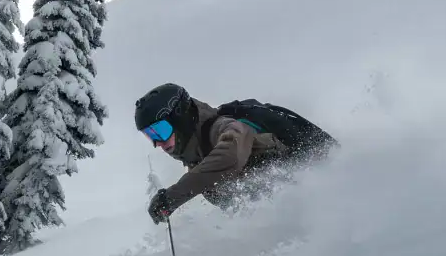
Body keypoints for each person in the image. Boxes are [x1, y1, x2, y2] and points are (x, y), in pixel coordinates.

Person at [134, 83, 336, 224]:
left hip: (326, 194)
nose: (157, 142)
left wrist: (173, 196)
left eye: (160, 130)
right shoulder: (199, 163)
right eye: (149, 135)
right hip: (296, 217)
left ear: (181, 119)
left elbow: (230, 155)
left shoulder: (223, 127)